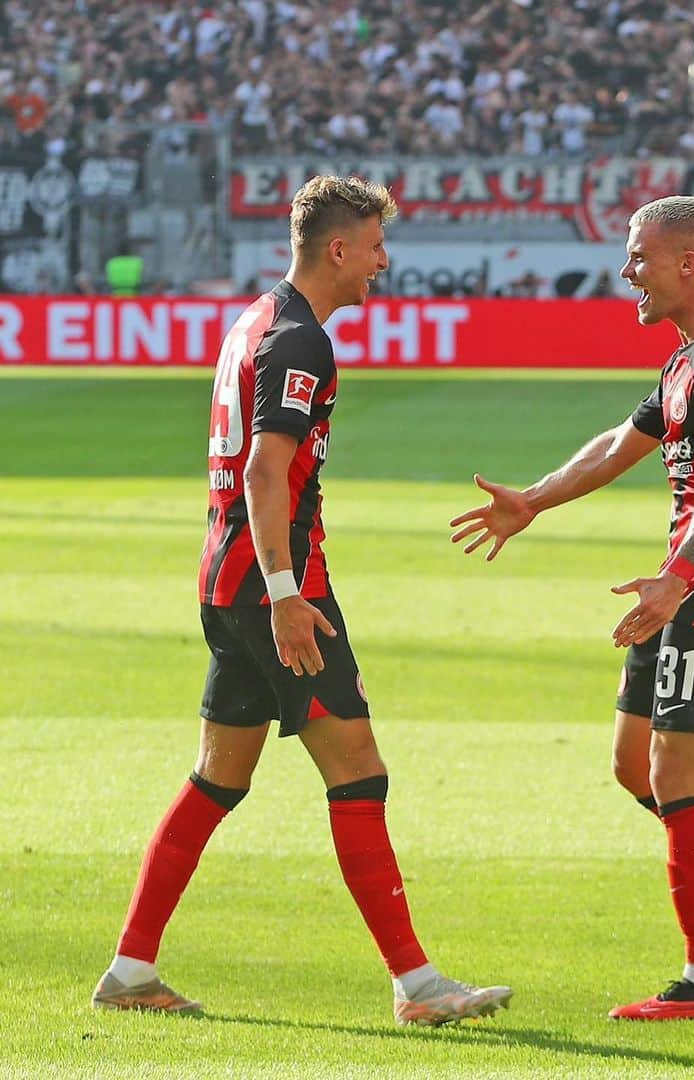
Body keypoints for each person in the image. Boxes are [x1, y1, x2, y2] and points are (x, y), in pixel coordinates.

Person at [92, 176, 512, 1027]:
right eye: (375, 247)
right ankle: (420, 988)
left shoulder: (253, 320)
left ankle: (132, 969)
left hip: (225, 581)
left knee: (218, 778)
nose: (383, 264)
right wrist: (287, 595)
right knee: (359, 771)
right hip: (277, 590)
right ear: (337, 249)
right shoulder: (298, 340)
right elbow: (263, 470)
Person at [450, 196, 694, 1022]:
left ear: (687, 262)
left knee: (678, 775)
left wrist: (680, 578)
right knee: (635, 766)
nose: (628, 272)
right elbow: (623, 441)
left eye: (639, 257)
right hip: (683, 584)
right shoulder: (688, 358)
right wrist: (536, 501)